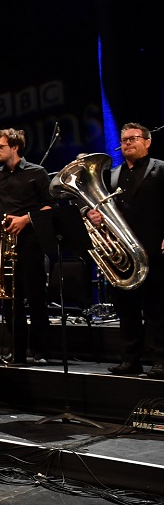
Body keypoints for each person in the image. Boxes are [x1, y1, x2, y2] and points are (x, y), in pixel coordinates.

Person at [86, 123, 164, 379]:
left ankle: (160, 361)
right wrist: (93, 214)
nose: (127, 143)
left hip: (155, 248)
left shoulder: (160, 168)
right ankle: (130, 361)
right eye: (124, 140)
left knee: (156, 308)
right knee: (127, 308)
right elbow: (98, 207)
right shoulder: (112, 174)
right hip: (124, 254)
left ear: (147, 142)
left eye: (133, 138)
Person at [0, 128, 54, 365]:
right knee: (10, 299)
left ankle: (41, 351)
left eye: (1, 146)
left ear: (15, 147)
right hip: (8, 241)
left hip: (31, 240)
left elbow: (50, 206)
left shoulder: (37, 172)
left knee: (36, 297)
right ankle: (17, 350)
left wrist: (26, 218)